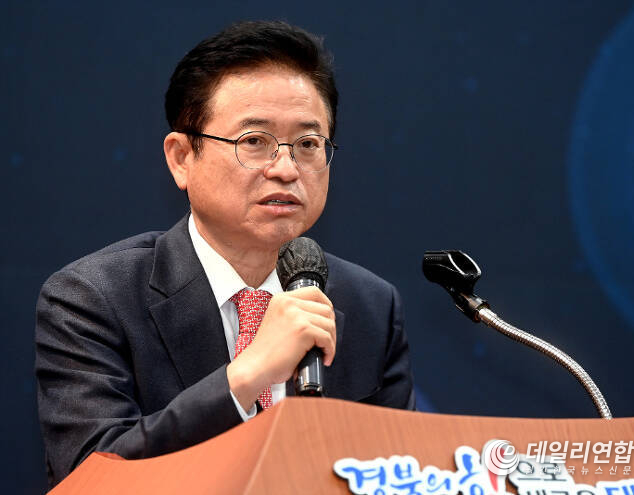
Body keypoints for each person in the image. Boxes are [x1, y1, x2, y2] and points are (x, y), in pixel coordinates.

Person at [35, 20, 415, 488]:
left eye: (307, 144)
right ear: (181, 158)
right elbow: (90, 480)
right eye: (254, 141)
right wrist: (246, 375)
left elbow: (397, 474)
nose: (286, 168)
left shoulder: (371, 307)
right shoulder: (93, 299)